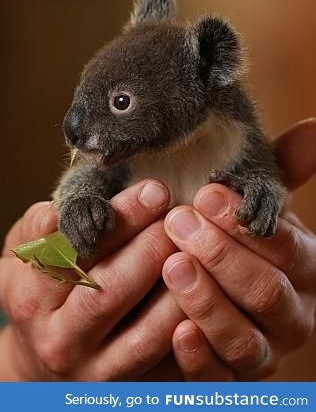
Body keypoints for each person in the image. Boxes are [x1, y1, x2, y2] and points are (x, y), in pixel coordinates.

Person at [0, 119, 315, 381]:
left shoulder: (232, 131)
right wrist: (21, 369)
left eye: (122, 102)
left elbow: (268, 182)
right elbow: (82, 177)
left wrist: (263, 204)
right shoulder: (118, 155)